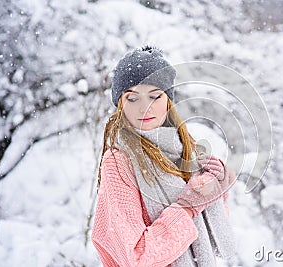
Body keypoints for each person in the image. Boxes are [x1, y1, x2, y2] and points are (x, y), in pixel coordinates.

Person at [91, 46, 236, 267]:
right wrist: (188, 206)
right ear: (120, 104)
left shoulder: (188, 152)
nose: (144, 108)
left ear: (168, 100)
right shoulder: (119, 162)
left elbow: (210, 241)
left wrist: (216, 191)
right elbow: (137, 258)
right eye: (132, 98)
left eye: (155, 96)